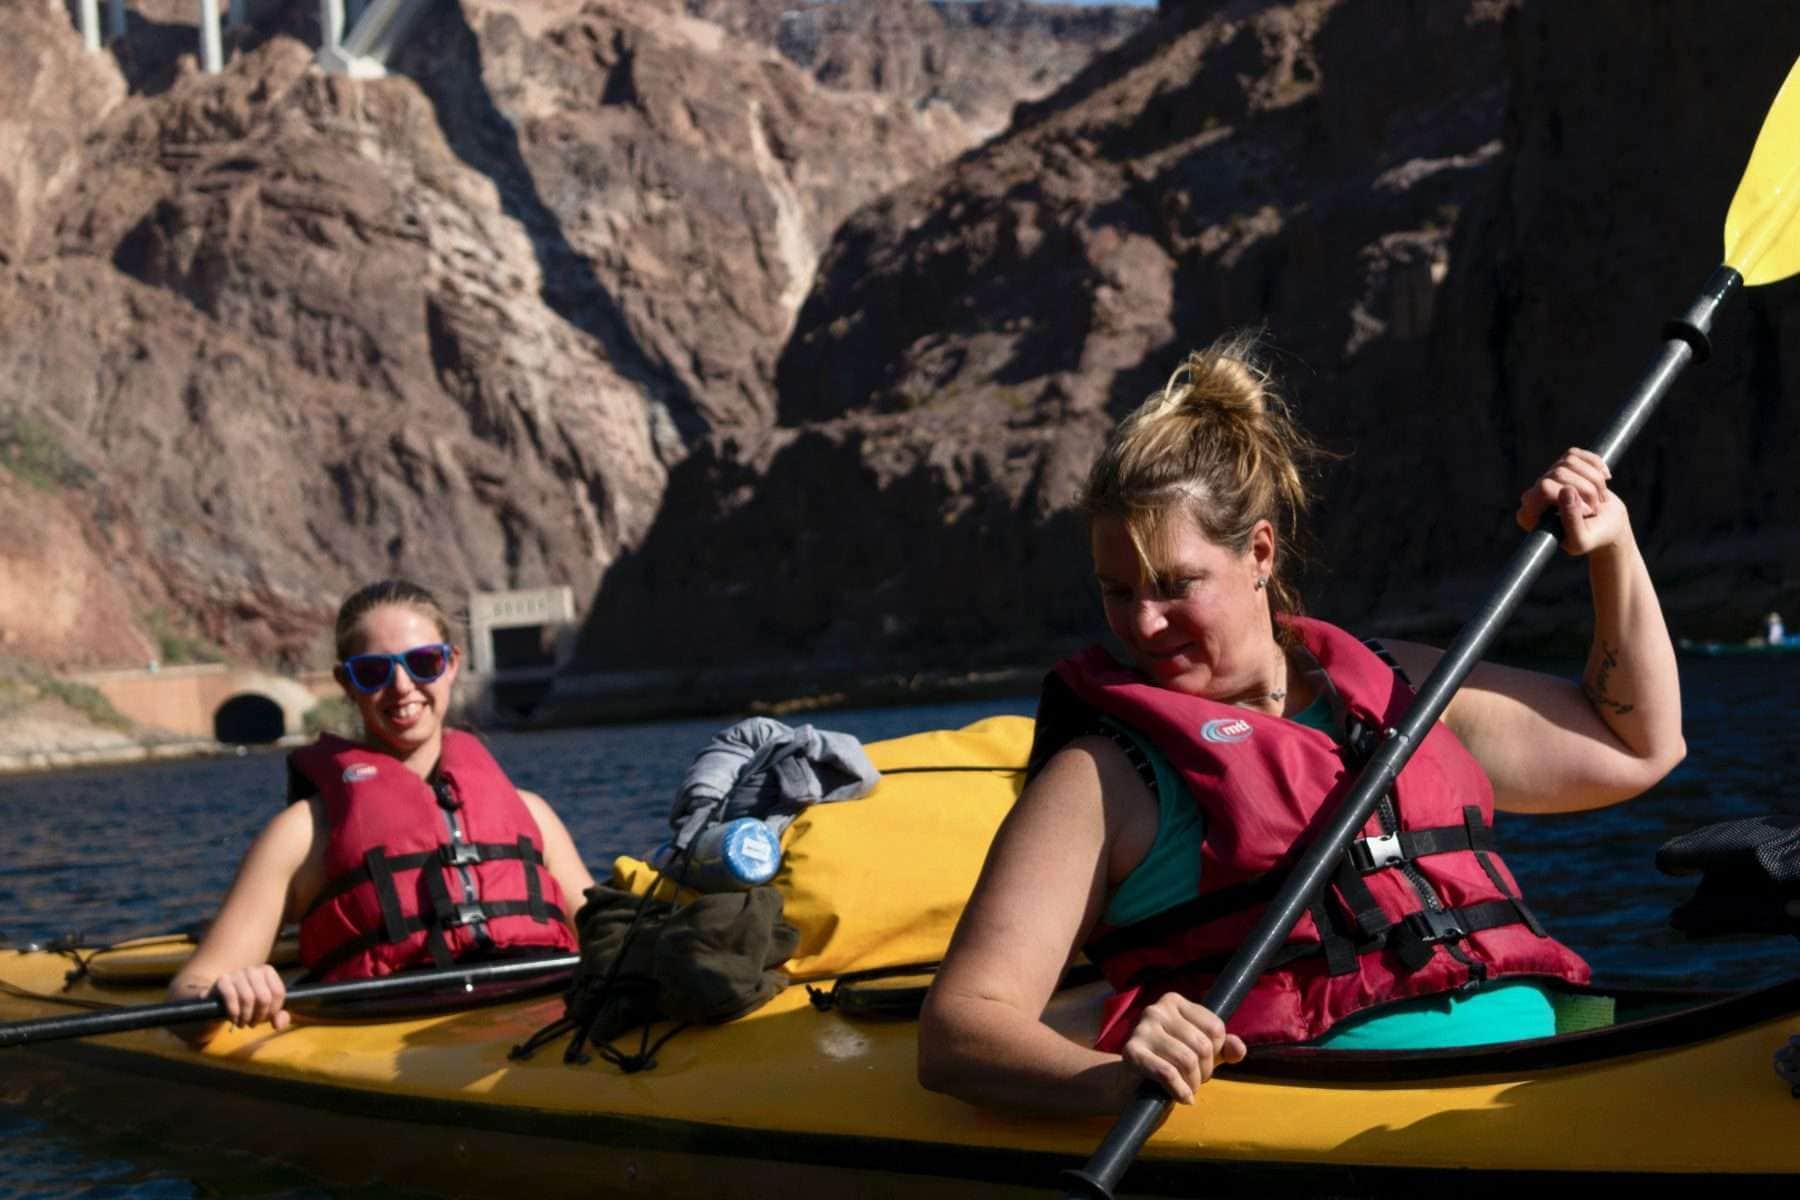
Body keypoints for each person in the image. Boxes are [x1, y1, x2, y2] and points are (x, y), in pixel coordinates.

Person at [917, 335, 1685, 1115]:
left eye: (1174, 584)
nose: (1143, 624)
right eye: (1117, 592)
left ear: (1258, 552)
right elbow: (958, 1031)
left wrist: (1611, 549)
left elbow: (1632, 745)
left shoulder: (1403, 689)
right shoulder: (1105, 775)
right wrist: (1110, 1081)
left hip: (1540, 1081)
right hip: (1320, 1116)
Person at [168, 579, 594, 1042]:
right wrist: (230, 989)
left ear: (450, 664)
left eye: (424, 662)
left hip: (544, 1023)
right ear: (346, 683)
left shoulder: (533, 815)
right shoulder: (303, 835)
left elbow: (607, 935)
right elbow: (189, 992)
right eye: (372, 671)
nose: (402, 686)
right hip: (384, 1036)